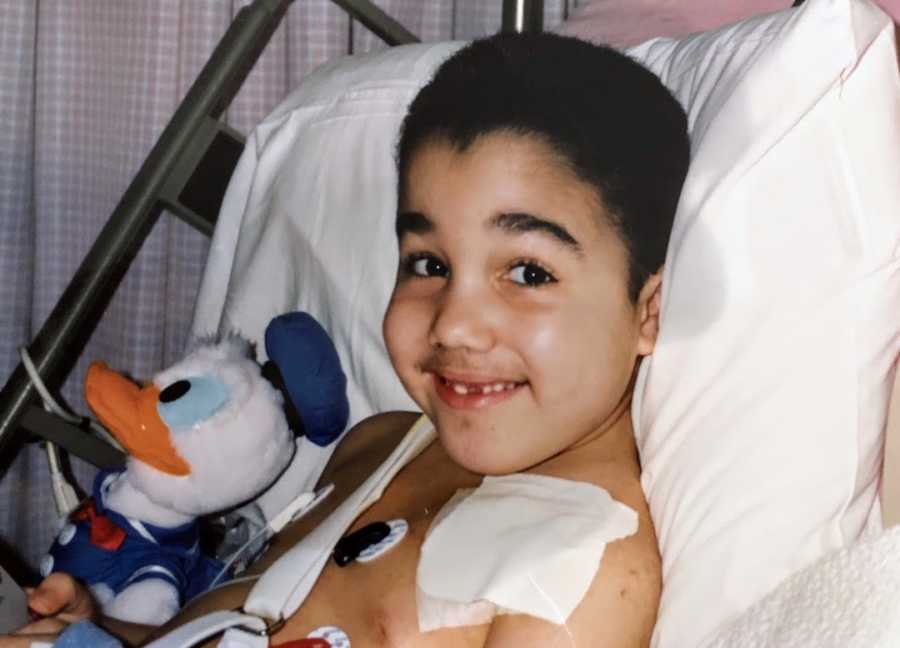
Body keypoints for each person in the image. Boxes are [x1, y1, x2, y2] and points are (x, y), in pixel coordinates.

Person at [1, 31, 689, 648]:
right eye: (429, 264)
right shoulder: (380, 444)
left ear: (647, 310)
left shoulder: (581, 574)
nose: (452, 323)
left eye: (528, 271)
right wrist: (100, 632)